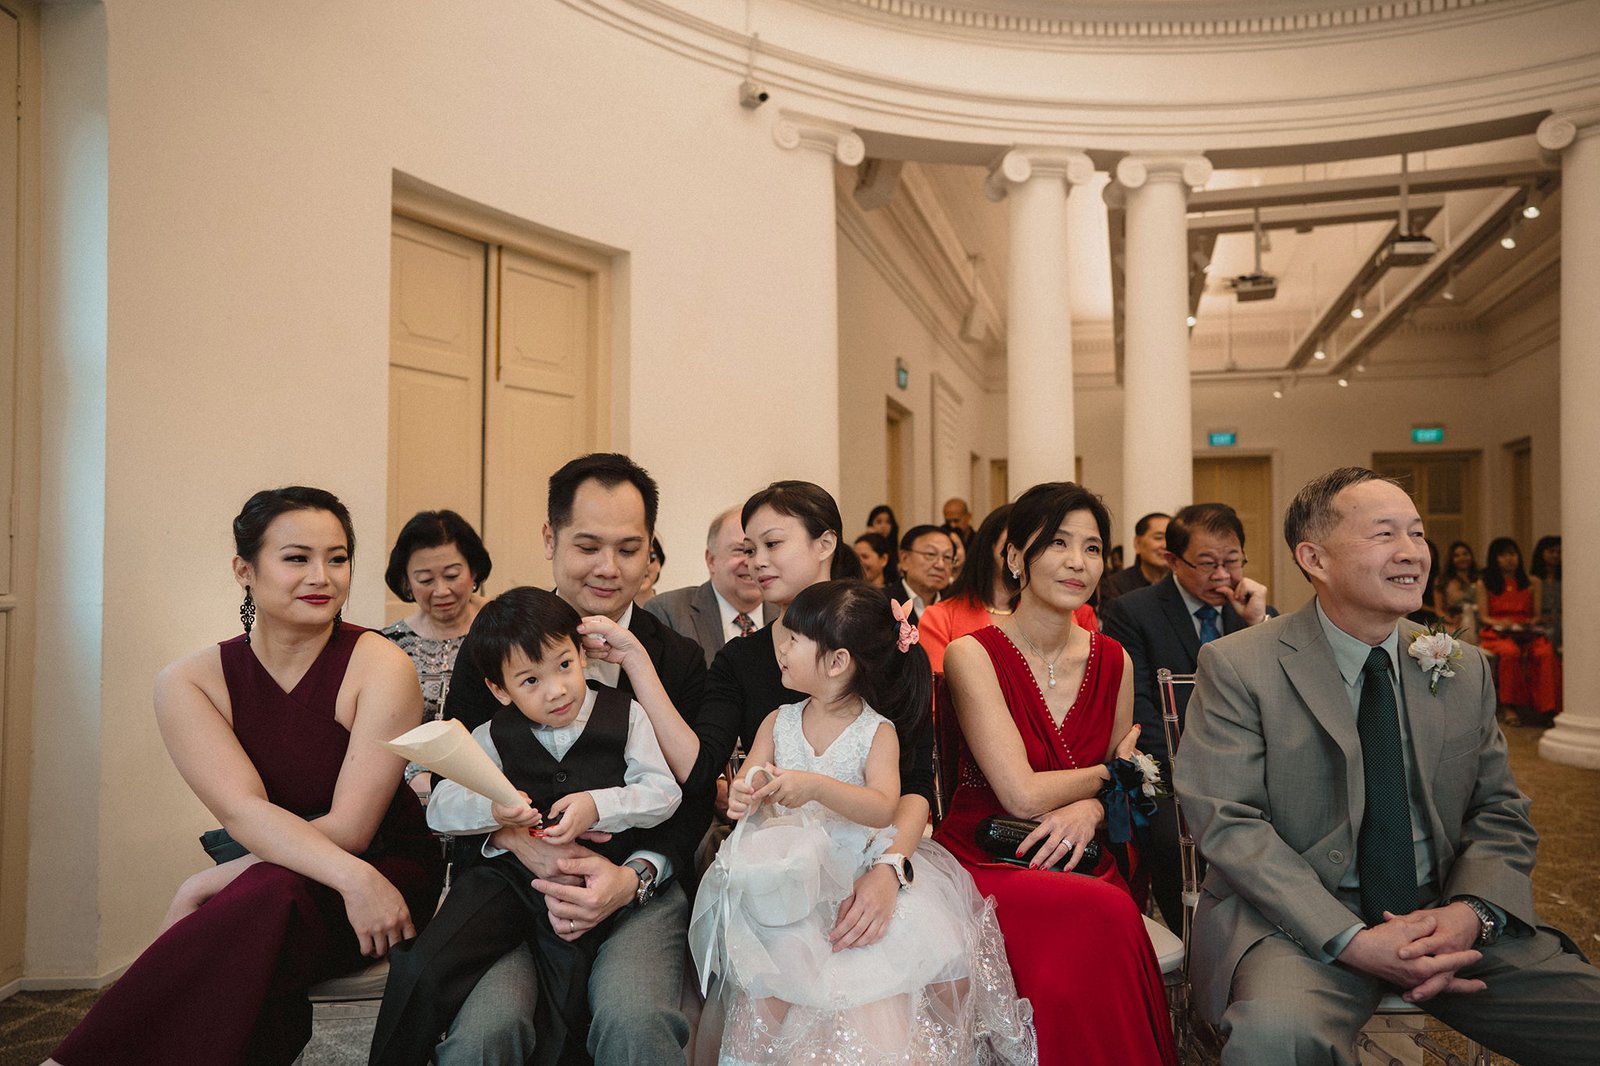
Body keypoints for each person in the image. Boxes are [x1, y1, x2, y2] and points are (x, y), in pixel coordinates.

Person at [1175, 467, 1600, 1066]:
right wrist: (1350, 939)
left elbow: (1499, 810)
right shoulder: (1239, 666)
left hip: (1445, 916)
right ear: (1314, 558)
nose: (1412, 553)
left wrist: (1470, 914)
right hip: (1300, 924)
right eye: (1384, 534)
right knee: (1276, 1038)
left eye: (1417, 533)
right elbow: (1228, 822)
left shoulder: (1460, 667)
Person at [49, 487, 445, 1066]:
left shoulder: (382, 663)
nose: (323, 577)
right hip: (290, 877)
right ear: (244, 570)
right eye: (296, 558)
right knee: (270, 901)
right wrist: (332, 879)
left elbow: (352, 829)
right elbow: (244, 813)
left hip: (385, 869)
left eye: (337, 558)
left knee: (264, 899)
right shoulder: (190, 682)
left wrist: (208, 883)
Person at [438, 453, 711, 1066]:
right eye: (588, 546)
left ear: (650, 551)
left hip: (637, 886)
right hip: (514, 882)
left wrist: (633, 877)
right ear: (549, 539)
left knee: (635, 1021)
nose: (609, 568)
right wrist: (520, 843)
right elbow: (451, 774)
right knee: (483, 1034)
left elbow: (691, 798)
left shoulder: (677, 658)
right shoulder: (494, 643)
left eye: (629, 548)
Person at [689, 581, 1034, 1064]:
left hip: (855, 873)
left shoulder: (877, 731)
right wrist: (746, 792)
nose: (781, 649)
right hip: (792, 883)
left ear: (837, 661)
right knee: (772, 990)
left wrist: (816, 787)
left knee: (867, 1000)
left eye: (792, 640)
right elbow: (751, 778)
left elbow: (882, 806)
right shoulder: (776, 720)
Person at [638, 481, 940, 1012]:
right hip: (779, 870)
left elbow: (912, 786)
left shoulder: (874, 640)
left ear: (825, 543)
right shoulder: (742, 660)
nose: (756, 561)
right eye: (748, 548)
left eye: (772, 544)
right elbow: (705, 765)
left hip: (871, 855)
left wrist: (889, 870)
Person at [370, 588, 681, 1066]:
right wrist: (494, 812)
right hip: (508, 882)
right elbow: (440, 807)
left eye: (564, 665)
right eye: (530, 680)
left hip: (596, 880)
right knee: (425, 965)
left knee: (564, 1010)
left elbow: (664, 792)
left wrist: (598, 805)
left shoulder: (627, 714)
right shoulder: (492, 733)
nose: (555, 690)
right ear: (500, 689)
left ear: (582, 655)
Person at [933, 481, 1179, 1066]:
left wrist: (1094, 805)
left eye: (1092, 548)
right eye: (1058, 543)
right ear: (1015, 557)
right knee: (1102, 915)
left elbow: (1126, 791)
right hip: (988, 852)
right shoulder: (973, 654)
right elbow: (1020, 794)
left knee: (1107, 911)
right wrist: (1106, 776)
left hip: (1080, 852)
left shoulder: (1114, 659)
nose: (1077, 562)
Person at [1100, 502, 1273, 933]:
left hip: (1249, 770)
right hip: (1170, 773)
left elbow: (1276, 702)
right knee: (1171, 840)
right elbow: (1138, 707)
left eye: (1232, 561)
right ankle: (1194, 944)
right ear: (1173, 561)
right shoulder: (1133, 611)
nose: (1222, 576)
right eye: (1207, 564)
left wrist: (1259, 624)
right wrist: (1194, 770)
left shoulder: (1252, 613)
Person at [382, 509, 493, 800]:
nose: (441, 590)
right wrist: (415, 777)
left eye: (452, 575)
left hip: (498, 786)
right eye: (425, 579)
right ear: (406, 581)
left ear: (474, 571)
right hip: (414, 793)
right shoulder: (388, 646)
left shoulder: (506, 628)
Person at [919, 503, 1096, 673]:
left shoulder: (1059, 613)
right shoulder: (942, 617)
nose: (1024, 552)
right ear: (995, 547)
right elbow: (936, 688)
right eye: (1015, 543)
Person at [645, 507, 770, 667]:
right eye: (741, 550)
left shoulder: (790, 614)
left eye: (755, 551)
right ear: (711, 560)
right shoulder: (667, 612)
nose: (754, 562)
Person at [1476, 536, 1561, 727]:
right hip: (1497, 631)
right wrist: (1502, 623)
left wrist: (1528, 624)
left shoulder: (1533, 581)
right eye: (1503, 555)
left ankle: (1548, 708)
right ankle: (1510, 706)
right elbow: (1484, 616)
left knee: (1545, 653)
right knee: (1510, 653)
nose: (1509, 559)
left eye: (1513, 554)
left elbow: (1537, 616)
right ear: (1495, 558)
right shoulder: (1485, 583)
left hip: (1527, 631)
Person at [1099, 511, 1170, 605]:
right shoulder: (1115, 585)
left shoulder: (1182, 583)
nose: (1166, 545)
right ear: (1137, 543)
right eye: (1158, 537)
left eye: (1171, 539)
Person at [896, 523, 956, 623]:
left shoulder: (956, 605)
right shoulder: (881, 603)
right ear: (904, 559)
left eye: (947, 557)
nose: (940, 565)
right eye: (930, 554)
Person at [1436, 540, 1480, 639]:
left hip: (1477, 623)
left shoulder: (1479, 579)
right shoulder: (1442, 580)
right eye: (1457, 555)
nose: (1462, 558)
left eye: (1465, 554)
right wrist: (1450, 620)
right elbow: (1439, 610)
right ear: (1451, 559)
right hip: (1452, 622)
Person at [1530, 534, 1562, 653]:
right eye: (1551, 551)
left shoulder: (1565, 581)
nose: (1556, 555)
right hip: (1541, 624)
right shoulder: (1533, 581)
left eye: (1559, 552)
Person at [866, 504, 901, 583]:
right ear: (871, 525)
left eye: (888, 522)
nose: (884, 526)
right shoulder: (865, 546)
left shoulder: (896, 549)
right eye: (879, 522)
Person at [636, 535, 666, 606]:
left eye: (650, 557)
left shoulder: (671, 609)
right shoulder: (611, 609)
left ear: (659, 564)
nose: (643, 566)